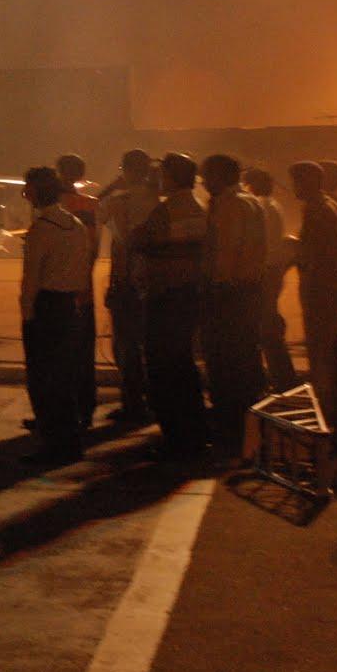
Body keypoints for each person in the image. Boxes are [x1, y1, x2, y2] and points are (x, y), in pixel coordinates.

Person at [130, 152, 211, 459]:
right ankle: (193, 431)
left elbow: (140, 240)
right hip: (188, 294)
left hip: (165, 296)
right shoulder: (199, 207)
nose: (158, 179)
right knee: (183, 365)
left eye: (163, 174)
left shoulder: (167, 211)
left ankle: (176, 436)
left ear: (173, 177)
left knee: (163, 367)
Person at [20, 166, 92, 465]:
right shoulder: (75, 225)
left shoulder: (42, 229)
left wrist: (27, 314)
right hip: (69, 306)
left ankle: (53, 444)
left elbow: (31, 278)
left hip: (46, 307)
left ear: (35, 193)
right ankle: (69, 439)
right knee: (64, 375)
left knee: (43, 378)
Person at [200, 154, 268, 450]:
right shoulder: (250, 202)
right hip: (249, 290)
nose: (202, 182)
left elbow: (225, 253)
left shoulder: (229, 206)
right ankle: (249, 429)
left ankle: (230, 430)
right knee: (245, 360)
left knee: (224, 363)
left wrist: (212, 287)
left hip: (228, 293)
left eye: (207, 176)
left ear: (219, 176)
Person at [289, 160, 337, 447]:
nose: (294, 188)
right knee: (333, 355)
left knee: (323, 357)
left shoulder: (317, 210)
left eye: (297, 181)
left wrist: (293, 252)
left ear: (309, 182)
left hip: (321, 294)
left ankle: (327, 424)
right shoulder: (334, 205)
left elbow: (314, 256)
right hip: (333, 292)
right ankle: (335, 414)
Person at [97, 149, 159, 422]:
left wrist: (112, 186)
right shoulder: (159, 201)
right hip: (155, 279)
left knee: (127, 344)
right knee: (152, 343)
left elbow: (94, 211)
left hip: (126, 280)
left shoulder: (118, 201)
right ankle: (155, 400)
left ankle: (133, 403)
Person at [243, 167, 297, 390]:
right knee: (268, 326)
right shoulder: (273, 206)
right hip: (272, 272)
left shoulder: (260, 207)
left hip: (264, 274)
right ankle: (281, 378)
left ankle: (282, 380)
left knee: (264, 330)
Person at [57, 154, 100, 428]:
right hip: (82, 287)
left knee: (63, 353)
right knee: (83, 352)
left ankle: (66, 412)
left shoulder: (60, 209)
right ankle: (84, 409)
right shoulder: (89, 205)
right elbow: (93, 249)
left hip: (62, 290)